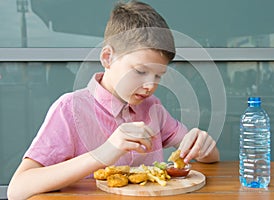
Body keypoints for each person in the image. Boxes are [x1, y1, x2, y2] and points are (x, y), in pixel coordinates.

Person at [7, 1, 219, 199]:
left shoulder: (153, 107)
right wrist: (103, 153)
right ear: (107, 57)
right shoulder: (70, 109)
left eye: (158, 76)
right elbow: (17, 189)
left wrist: (203, 145)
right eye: (140, 71)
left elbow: (207, 157)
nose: (150, 85)